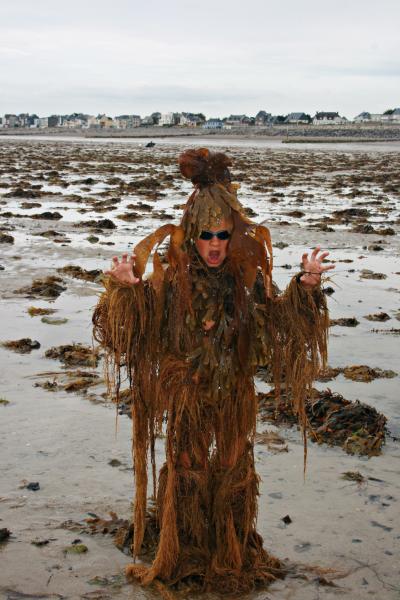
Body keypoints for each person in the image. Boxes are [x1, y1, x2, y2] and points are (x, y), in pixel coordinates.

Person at [93, 148, 333, 594]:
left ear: (233, 234)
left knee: (233, 465)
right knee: (187, 465)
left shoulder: (247, 280)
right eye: (206, 235)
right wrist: (125, 290)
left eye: (223, 234)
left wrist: (306, 287)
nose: (216, 244)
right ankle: (184, 550)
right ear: (192, 235)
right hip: (188, 394)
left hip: (234, 394)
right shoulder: (172, 281)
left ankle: (231, 551)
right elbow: (130, 330)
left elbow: (279, 322)